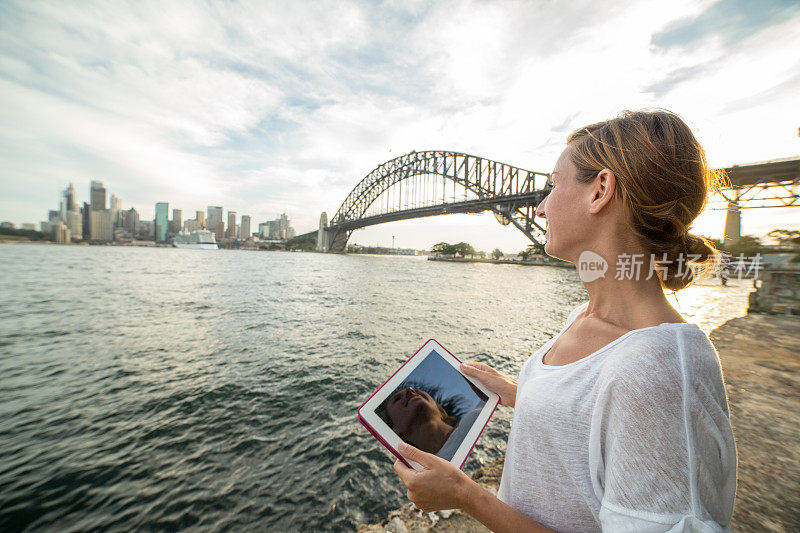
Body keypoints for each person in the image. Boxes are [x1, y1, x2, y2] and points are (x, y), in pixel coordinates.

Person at [391, 110, 737, 532]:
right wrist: (519, 393)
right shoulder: (587, 316)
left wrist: (467, 496)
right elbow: (595, 418)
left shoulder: (658, 369)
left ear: (600, 191)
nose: (539, 208)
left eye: (553, 185)